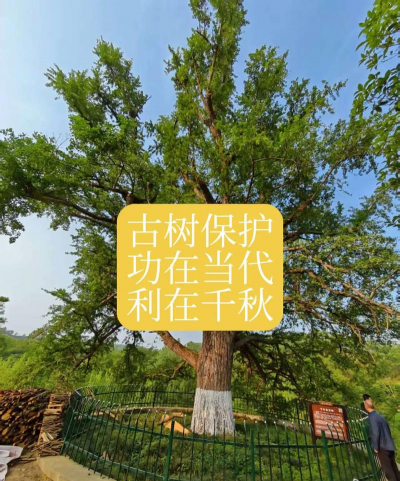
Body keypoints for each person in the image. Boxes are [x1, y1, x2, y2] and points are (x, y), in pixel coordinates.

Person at [364, 398, 400, 481]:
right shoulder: (381, 416)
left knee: (388, 470)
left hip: (382, 447)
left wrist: (375, 447)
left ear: (366, 407)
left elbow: (375, 433)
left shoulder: (372, 418)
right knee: (394, 468)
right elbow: (387, 429)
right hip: (390, 445)